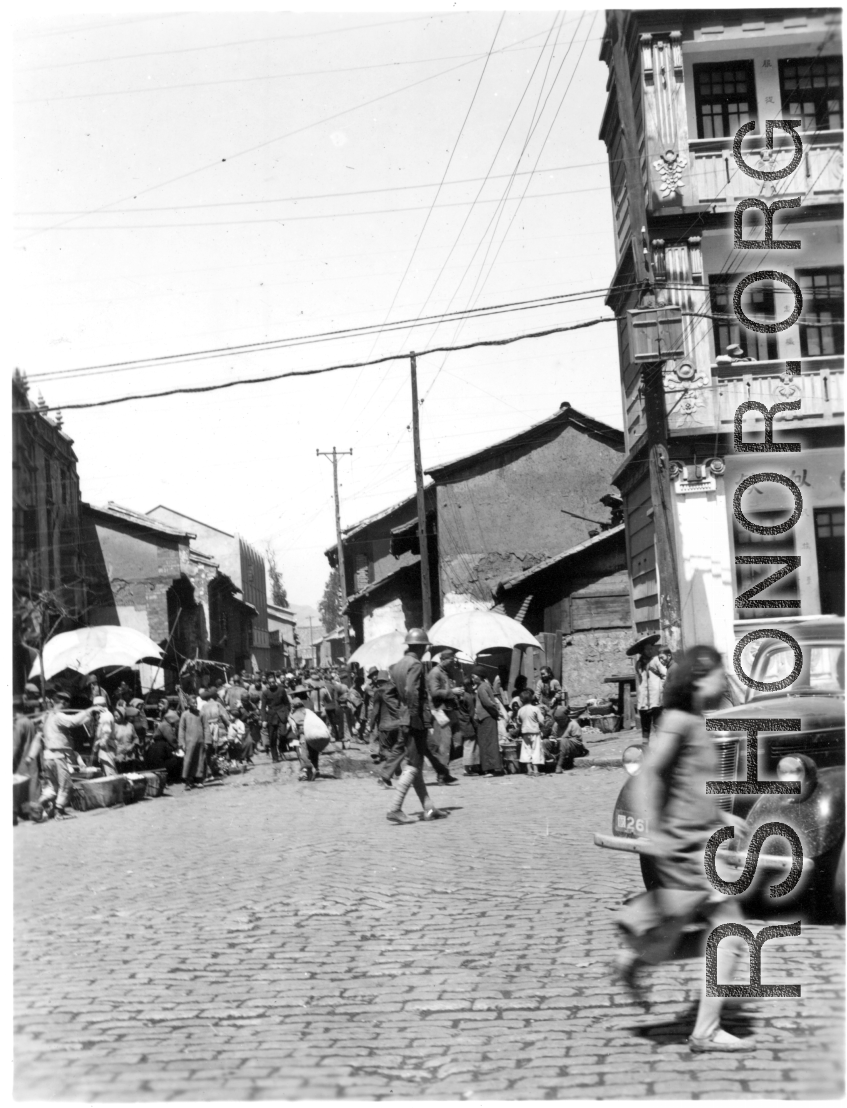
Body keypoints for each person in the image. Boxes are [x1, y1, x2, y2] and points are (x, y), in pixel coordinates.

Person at [613, 645, 752, 1053]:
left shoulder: (695, 721)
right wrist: (652, 827)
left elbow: (688, 786)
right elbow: (650, 772)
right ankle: (705, 1031)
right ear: (696, 680)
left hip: (697, 841)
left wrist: (723, 819)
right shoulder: (677, 720)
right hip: (686, 847)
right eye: (717, 673)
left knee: (718, 932)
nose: (723, 679)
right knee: (730, 933)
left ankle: (638, 955)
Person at [384, 629, 449, 824]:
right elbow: (411, 690)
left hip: (406, 718)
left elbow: (391, 694)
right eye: (424, 647)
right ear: (420, 647)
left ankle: (429, 808)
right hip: (415, 720)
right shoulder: (416, 665)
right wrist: (413, 714)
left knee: (416, 763)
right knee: (414, 765)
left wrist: (401, 712)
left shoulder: (397, 666)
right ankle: (395, 808)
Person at [39, 690, 94, 817]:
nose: (67, 707)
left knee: (53, 787)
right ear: (62, 703)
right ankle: (59, 811)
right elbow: (73, 721)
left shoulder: (46, 716)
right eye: (66, 704)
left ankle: (39, 803)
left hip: (47, 756)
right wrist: (88, 711)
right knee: (66, 785)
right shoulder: (58, 716)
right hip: (58, 756)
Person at [426, 649, 463, 770]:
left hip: (449, 708)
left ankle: (444, 765)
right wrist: (452, 691)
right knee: (444, 739)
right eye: (451, 660)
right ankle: (442, 770)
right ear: (443, 660)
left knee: (456, 736)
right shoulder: (435, 673)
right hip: (439, 710)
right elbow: (434, 692)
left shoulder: (446, 672)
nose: (453, 663)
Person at [368, 671, 405, 784]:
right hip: (398, 724)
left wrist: (371, 726)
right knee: (396, 749)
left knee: (384, 751)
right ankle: (396, 771)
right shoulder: (396, 689)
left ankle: (390, 772)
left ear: (378, 681)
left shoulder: (379, 691)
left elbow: (375, 711)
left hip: (385, 726)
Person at [289, 686, 331, 781]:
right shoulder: (310, 703)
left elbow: (292, 725)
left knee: (302, 753)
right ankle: (316, 768)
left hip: (301, 735)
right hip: (312, 732)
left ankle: (305, 771)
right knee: (314, 752)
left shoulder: (294, 709)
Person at [472, 667, 503, 777]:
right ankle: (491, 768)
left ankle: (492, 769)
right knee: (488, 742)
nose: (473, 678)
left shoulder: (482, 688)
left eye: (474, 676)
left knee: (488, 743)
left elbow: (488, 703)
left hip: (487, 717)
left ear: (480, 676)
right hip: (487, 717)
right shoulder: (484, 686)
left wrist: (495, 711)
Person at [516, 689, 546, 777]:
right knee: (536, 750)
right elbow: (541, 721)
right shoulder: (535, 709)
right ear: (532, 698)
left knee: (526, 751)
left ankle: (529, 770)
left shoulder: (520, 710)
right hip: (535, 732)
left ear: (521, 700)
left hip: (525, 732)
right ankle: (536, 771)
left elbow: (518, 722)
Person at [179, 695, 206, 790]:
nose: (195, 705)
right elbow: (181, 729)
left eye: (196, 703)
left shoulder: (201, 714)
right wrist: (181, 742)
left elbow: (206, 727)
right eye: (193, 703)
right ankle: (187, 781)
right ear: (188, 704)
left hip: (200, 741)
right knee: (188, 760)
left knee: (199, 760)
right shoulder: (185, 715)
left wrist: (207, 741)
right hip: (189, 742)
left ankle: (199, 780)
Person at [262, 677, 291, 763]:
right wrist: (264, 719)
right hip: (271, 716)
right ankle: (275, 757)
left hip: (282, 715)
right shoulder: (265, 693)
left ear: (276, 682)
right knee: (272, 738)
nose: (272, 684)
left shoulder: (281, 690)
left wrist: (287, 713)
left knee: (283, 733)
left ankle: (281, 749)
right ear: (268, 684)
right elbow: (263, 707)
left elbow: (287, 703)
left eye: (273, 682)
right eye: (270, 683)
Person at [455, 678, 480, 776]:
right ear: (469, 686)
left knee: (467, 745)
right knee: (469, 746)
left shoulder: (460, 696)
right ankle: (467, 769)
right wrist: (476, 724)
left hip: (462, 722)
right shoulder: (468, 697)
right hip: (468, 724)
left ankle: (470, 767)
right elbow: (471, 713)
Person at [550, 705, 585, 772]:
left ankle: (559, 765)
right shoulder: (556, 725)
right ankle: (547, 763)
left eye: (561, 721)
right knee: (545, 742)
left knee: (563, 741)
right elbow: (553, 735)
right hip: (559, 746)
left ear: (566, 718)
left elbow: (578, 742)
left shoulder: (573, 725)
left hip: (574, 748)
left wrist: (564, 740)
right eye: (558, 721)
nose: (559, 723)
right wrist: (552, 738)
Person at [90, 695, 119, 776]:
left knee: (110, 771)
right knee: (106, 771)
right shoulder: (103, 715)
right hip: (105, 746)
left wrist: (101, 743)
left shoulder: (106, 716)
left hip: (107, 746)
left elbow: (106, 731)